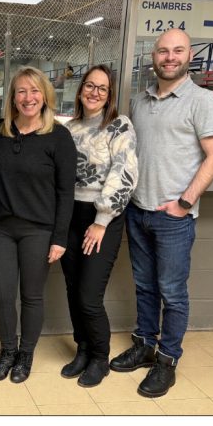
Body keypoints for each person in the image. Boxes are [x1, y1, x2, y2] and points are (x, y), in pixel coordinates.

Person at [110, 28, 213, 397]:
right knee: (145, 286)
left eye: (177, 51)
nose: (169, 57)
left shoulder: (203, 101)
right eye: (163, 51)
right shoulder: (140, 101)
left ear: (189, 56)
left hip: (173, 219)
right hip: (138, 211)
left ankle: (167, 360)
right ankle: (144, 344)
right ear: (153, 56)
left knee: (172, 292)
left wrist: (184, 203)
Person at [0, 66, 77, 383]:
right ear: (13, 97)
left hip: (38, 231)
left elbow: (65, 192)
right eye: (21, 91)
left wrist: (59, 238)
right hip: (1, 228)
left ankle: (25, 353)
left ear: (45, 95)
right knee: (2, 296)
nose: (28, 98)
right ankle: (7, 351)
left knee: (31, 297)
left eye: (34, 90)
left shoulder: (59, 137)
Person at [60, 65, 138, 388]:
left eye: (102, 88)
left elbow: (125, 174)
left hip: (102, 220)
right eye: (89, 86)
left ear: (109, 96)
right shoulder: (70, 128)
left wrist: (101, 220)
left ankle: (100, 358)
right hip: (70, 217)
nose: (94, 92)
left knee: (89, 295)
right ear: (80, 91)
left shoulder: (119, 126)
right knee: (73, 289)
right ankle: (82, 348)